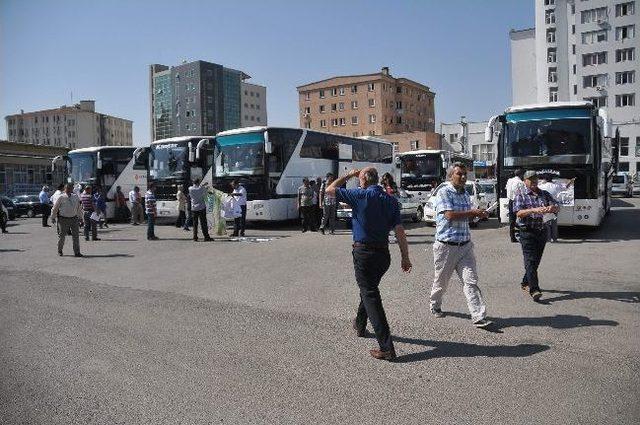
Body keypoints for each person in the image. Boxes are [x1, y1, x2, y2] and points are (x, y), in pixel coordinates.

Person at [325, 167, 412, 361]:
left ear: (363, 180)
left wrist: (347, 175)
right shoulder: (390, 200)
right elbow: (399, 231)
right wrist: (405, 256)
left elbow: (329, 190)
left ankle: (386, 346)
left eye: (359, 179)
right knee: (368, 289)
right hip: (383, 255)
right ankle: (360, 323)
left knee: (370, 294)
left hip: (364, 253)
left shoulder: (360, 195)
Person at [429, 162, 491, 328]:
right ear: (451, 176)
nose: (463, 177)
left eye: (465, 174)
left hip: (465, 245)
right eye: (459, 174)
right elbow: (449, 215)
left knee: (471, 281)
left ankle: (478, 316)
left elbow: (466, 217)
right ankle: (435, 304)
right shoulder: (444, 192)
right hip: (446, 246)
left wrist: (478, 215)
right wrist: (472, 213)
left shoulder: (465, 194)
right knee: (441, 281)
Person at [513, 170, 559, 302]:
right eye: (530, 179)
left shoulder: (544, 194)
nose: (533, 182)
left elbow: (557, 205)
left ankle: (525, 282)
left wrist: (552, 208)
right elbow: (519, 213)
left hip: (542, 230)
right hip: (527, 231)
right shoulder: (520, 195)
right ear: (525, 181)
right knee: (530, 260)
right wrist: (533, 210)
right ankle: (534, 289)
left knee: (536, 261)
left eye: (535, 179)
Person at [50, 183, 83, 257]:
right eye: (67, 188)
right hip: (63, 219)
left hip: (74, 218)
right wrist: (53, 217)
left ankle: (77, 252)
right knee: (62, 236)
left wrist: (80, 218)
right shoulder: (61, 197)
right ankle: (60, 250)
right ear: (65, 189)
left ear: (72, 189)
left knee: (76, 236)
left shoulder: (75, 197)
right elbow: (55, 208)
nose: (68, 190)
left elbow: (78, 208)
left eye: (70, 188)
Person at [537, 174, 561, 242]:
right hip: (554, 206)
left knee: (547, 223)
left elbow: (537, 188)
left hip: (546, 205)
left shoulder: (542, 186)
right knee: (554, 223)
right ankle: (555, 238)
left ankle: (548, 238)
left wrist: (542, 182)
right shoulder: (556, 185)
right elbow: (565, 188)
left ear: (545, 179)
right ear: (552, 179)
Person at [505, 168, 526, 243]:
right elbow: (523, 194)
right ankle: (522, 236)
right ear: (521, 175)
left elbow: (506, 188)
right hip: (518, 202)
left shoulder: (509, 180)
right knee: (522, 219)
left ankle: (512, 237)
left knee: (512, 221)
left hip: (510, 201)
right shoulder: (520, 182)